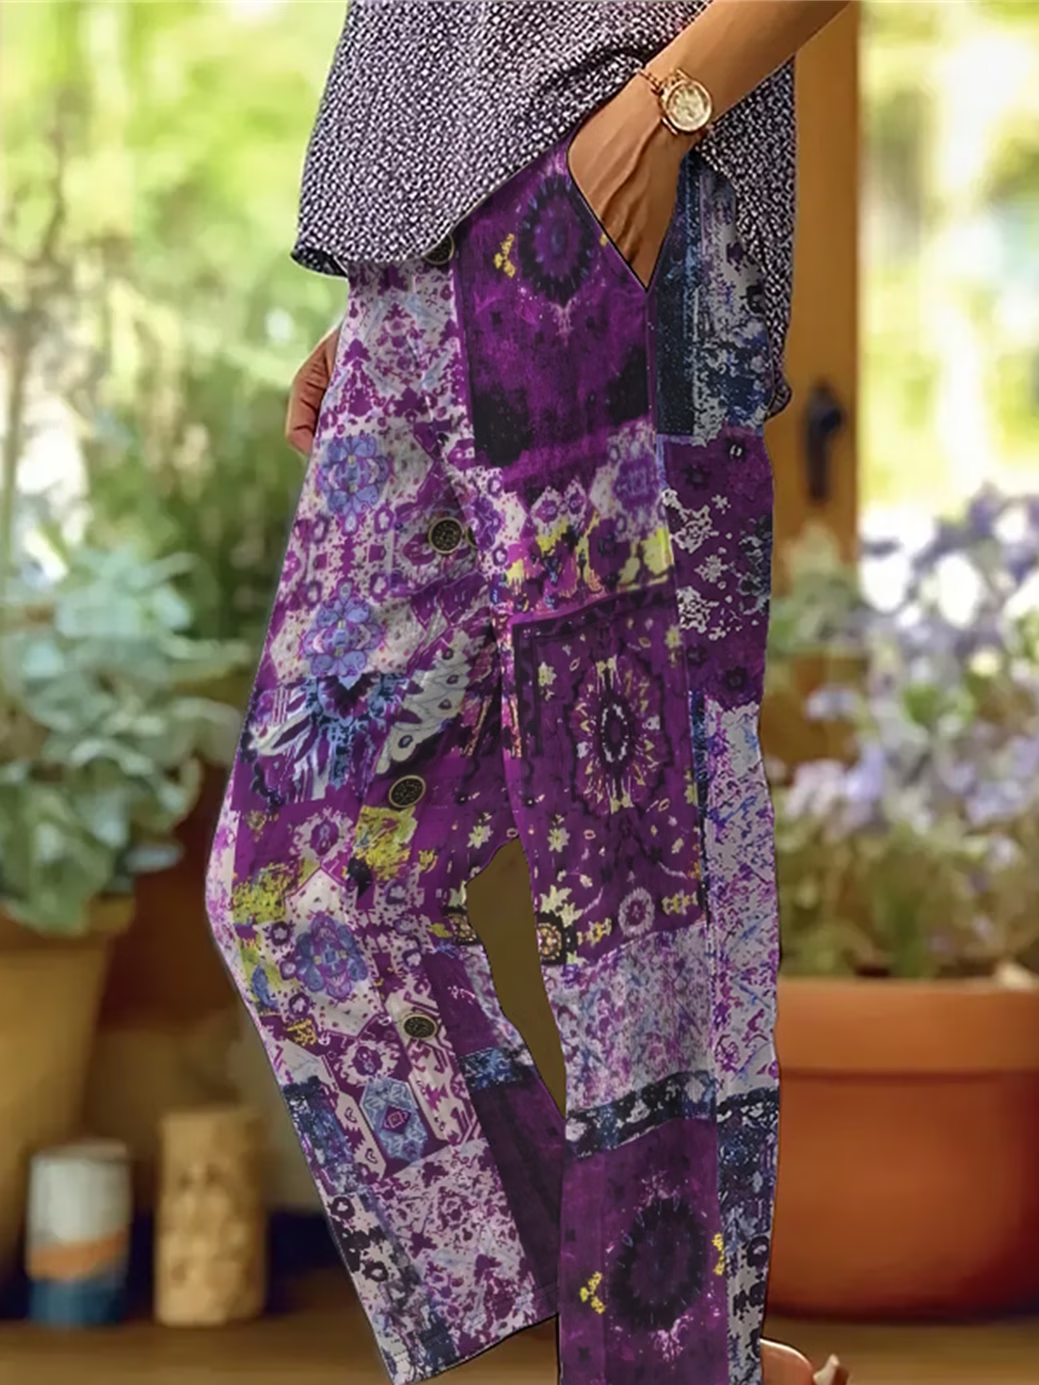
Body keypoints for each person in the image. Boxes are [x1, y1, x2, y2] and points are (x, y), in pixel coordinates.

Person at [207, 4, 854, 1383]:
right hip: (416, 249)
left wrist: (665, 114)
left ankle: (668, 1360)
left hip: (622, 193)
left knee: (642, 900)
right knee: (300, 886)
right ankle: (662, 1349)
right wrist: (397, 279)